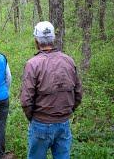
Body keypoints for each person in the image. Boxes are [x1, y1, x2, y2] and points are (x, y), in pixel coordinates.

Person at [20, 21, 83, 159]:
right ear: (53, 38)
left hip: (41, 123)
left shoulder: (33, 64)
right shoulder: (69, 60)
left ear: (36, 40)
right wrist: (67, 112)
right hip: (63, 123)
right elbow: (78, 93)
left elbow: (26, 100)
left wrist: (33, 118)